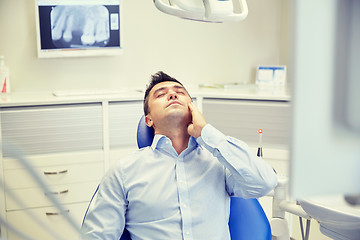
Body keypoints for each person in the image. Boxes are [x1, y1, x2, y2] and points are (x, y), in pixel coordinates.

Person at [80, 71, 278, 240]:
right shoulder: (124, 171)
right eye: (160, 94)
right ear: (148, 120)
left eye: (180, 92)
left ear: (193, 108)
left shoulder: (219, 163)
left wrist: (206, 133)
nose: (173, 95)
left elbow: (266, 182)